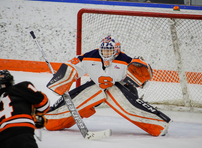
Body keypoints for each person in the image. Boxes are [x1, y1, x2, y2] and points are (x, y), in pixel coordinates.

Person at [44, 36, 172, 137]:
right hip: (97, 88)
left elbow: (140, 81)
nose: (106, 53)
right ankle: (51, 120)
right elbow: (73, 65)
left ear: (116, 50)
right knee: (77, 100)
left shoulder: (125, 61)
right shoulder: (89, 57)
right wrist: (62, 79)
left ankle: (158, 124)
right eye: (104, 50)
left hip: (120, 90)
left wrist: (141, 81)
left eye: (109, 50)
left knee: (129, 106)